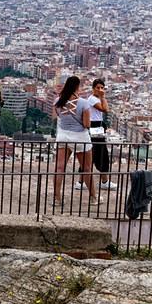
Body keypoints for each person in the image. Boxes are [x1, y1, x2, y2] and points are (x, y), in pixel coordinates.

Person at [53, 75, 101, 207]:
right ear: (77, 87)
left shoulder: (58, 101)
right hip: (80, 137)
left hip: (62, 136)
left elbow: (57, 117)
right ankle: (93, 197)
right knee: (86, 168)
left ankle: (56, 198)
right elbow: (86, 124)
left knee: (59, 168)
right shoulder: (83, 103)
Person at [86, 78, 116, 190]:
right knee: (99, 153)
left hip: (97, 127)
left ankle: (85, 181)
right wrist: (103, 96)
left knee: (94, 153)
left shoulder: (95, 99)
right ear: (93, 89)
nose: (100, 90)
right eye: (98, 88)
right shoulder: (93, 99)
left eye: (102, 88)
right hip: (95, 127)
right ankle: (103, 181)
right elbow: (105, 109)